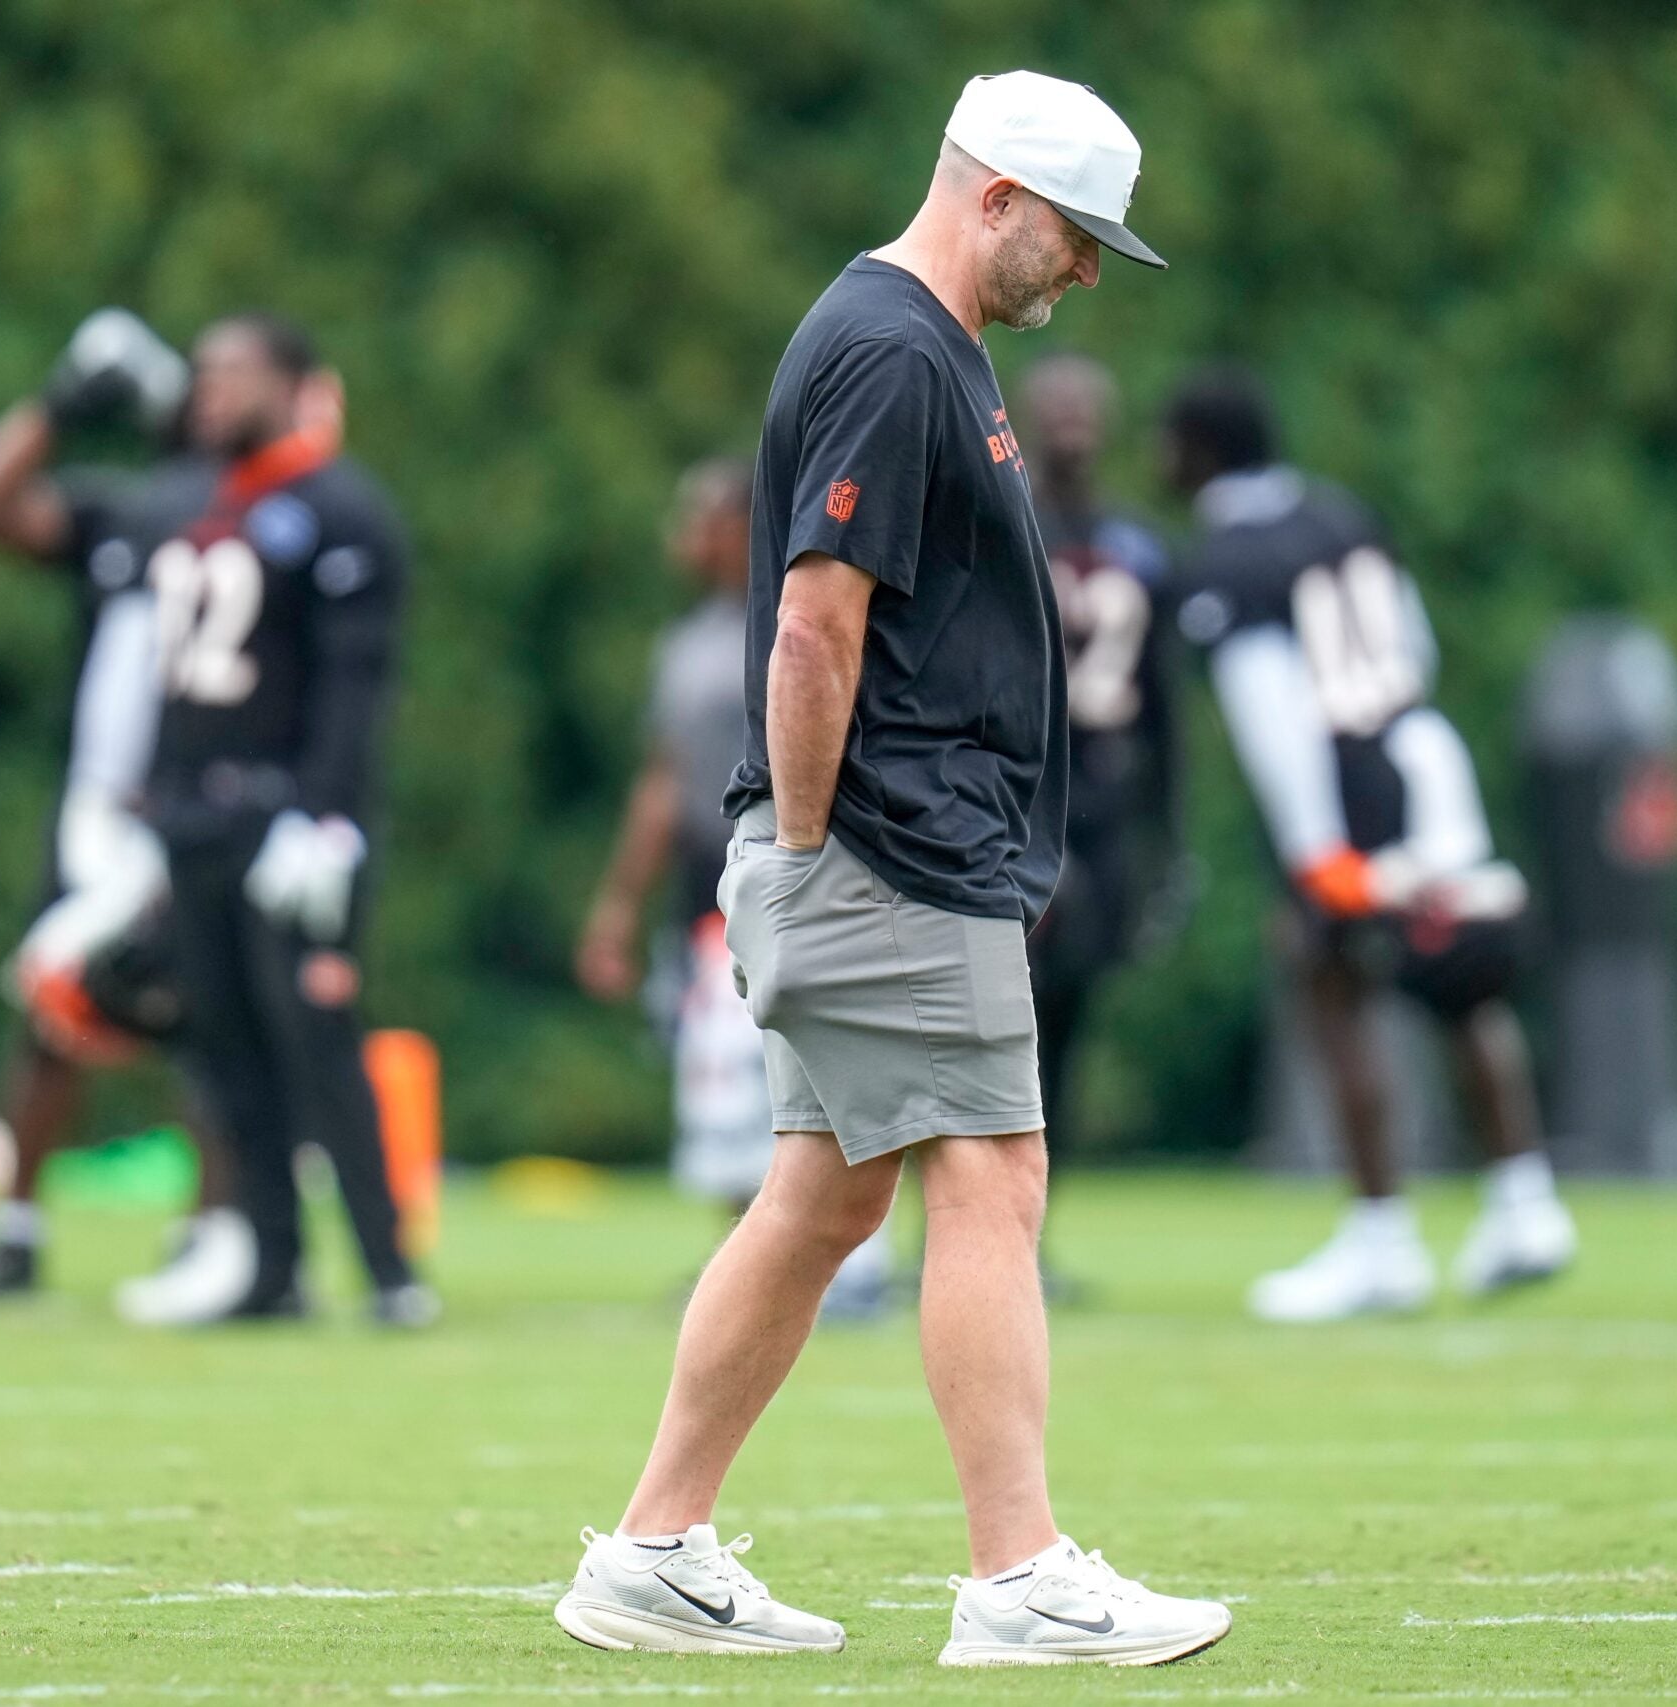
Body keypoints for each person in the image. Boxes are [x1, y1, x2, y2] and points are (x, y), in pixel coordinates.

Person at [554, 72, 1230, 1667]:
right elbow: (813, 621)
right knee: (993, 1178)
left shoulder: (936, 347)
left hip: (896, 844)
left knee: (821, 1194)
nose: (1080, 277)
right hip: (890, 849)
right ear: (994, 194)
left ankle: (654, 1545)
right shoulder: (893, 348)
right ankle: (1019, 1575)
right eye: (1073, 240)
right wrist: (801, 852)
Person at [1160, 366, 1573, 1323]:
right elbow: (1413, 644)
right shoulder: (1342, 512)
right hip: (1425, 748)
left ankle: (1382, 1233)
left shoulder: (1226, 556)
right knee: (1466, 984)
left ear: (1201, 449)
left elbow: (1272, 713)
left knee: (1330, 983)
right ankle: (1525, 1202)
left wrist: (1316, 854)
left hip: (1344, 785)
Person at [100, 311, 427, 1327]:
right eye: (202, 375)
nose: (209, 392)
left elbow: (353, 685)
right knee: (226, 1054)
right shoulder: (195, 507)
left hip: (286, 818)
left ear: (293, 385)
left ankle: (388, 1272)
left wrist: (327, 817)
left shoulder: (339, 509)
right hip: (193, 818)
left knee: (317, 1041)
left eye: (233, 374)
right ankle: (271, 1264)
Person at [0, 307, 245, 1306]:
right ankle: (16, 1230)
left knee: (210, 1018)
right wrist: (60, 405)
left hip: (202, 802)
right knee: (51, 1016)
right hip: (102, 813)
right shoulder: (124, 512)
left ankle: (213, 1235)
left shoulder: (258, 511)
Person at [575, 458, 890, 1318]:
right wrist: (617, 903)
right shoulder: (683, 643)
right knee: (721, 1073)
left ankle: (850, 1259)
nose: (682, 535)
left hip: (796, 868)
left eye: (698, 517)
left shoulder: (797, 619)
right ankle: (743, 1261)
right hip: (706, 886)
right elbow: (664, 780)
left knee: (824, 1061)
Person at [1020, 352, 1177, 1295]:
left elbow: (1165, 707)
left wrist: (1171, 840)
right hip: (1013, 801)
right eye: (1060, 408)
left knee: (1066, 1034)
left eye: (1088, 407)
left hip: (1106, 808)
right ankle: (953, 1243)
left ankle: (1028, 1239)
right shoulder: (1002, 519)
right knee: (994, 1032)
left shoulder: (1138, 545)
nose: (1074, 423)